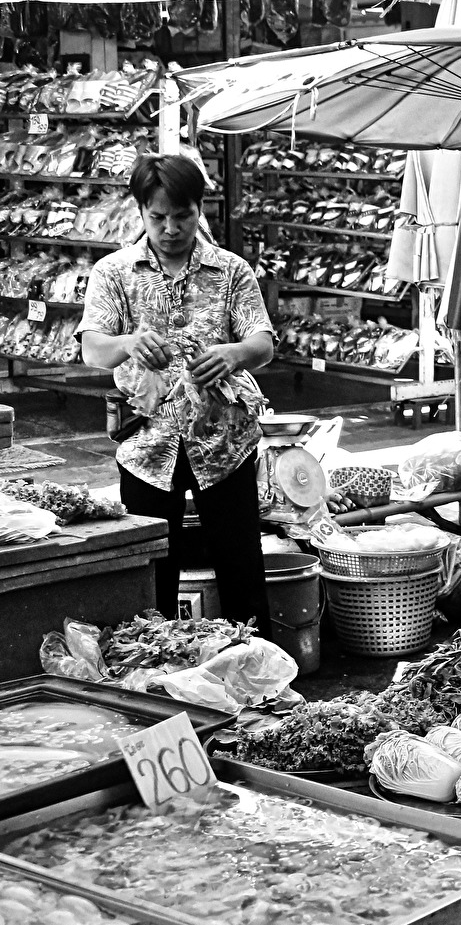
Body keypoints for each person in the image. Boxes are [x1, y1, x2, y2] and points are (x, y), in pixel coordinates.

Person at [77, 153, 273, 627]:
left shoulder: (231, 271)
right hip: (147, 446)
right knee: (151, 573)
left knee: (241, 566)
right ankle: (157, 676)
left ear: (198, 209)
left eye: (182, 215)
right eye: (158, 217)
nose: (170, 228)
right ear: (140, 211)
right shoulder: (114, 272)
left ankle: (264, 680)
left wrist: (233, 354)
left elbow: (262, 343)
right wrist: (128, 342)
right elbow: (93, 350)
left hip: (224, 442)